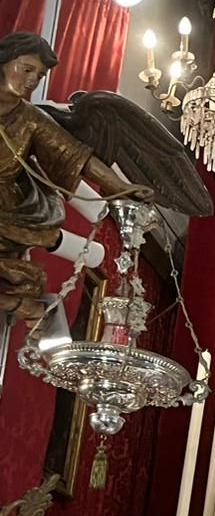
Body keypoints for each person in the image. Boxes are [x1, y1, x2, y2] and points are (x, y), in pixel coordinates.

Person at [0, 32, 148, 319]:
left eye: (40, 75)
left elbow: (76, 156)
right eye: (27, 69)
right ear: (4, 62)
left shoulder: (30, 119)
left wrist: (121, 187)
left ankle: (20, 304)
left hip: (8, 209)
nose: (32, 80)